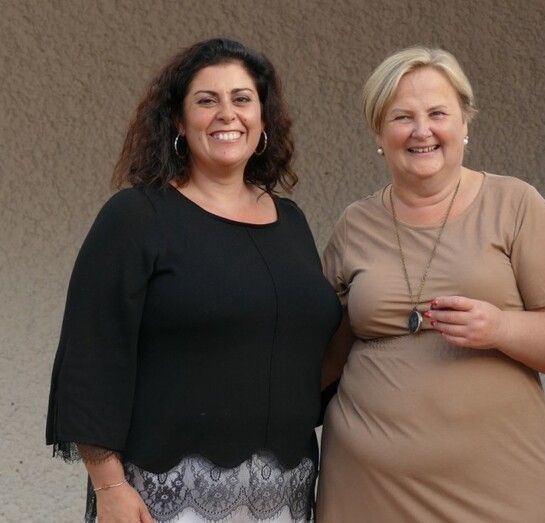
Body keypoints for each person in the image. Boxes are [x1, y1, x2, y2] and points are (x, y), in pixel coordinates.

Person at [46, 38, 341, 523]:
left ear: (263, 119)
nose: (228, 114)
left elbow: (302, 360)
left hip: (284, 496)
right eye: (207, 101)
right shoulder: (136, 217)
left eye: (242, 99)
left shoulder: (291, 221)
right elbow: (91, 356)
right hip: (167, 497)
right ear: (179, 122)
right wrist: (110, 487)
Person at [316, 46, 545, 522]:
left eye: (437, 113)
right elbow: (320, 353)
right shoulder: (355, 224)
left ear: (465, 122)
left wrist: (502, 328)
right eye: (402, 117)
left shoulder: (514, 204)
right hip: (366, 487)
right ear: (379, 133)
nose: (422, 131)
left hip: (498, 488)